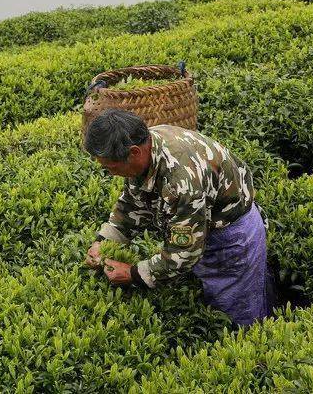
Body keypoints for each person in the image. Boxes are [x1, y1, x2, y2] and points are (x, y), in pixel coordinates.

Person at [83, 109, 274, 327]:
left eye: (110, 167)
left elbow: (184, 253)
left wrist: (133, 273)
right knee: (209, 304)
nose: (109, 173)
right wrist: (104, 241)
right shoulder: (146, 144)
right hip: (202, 225)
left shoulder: (181, 181)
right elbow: (132, 203)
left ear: (134, 152)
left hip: (230, 236)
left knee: (235, 315)